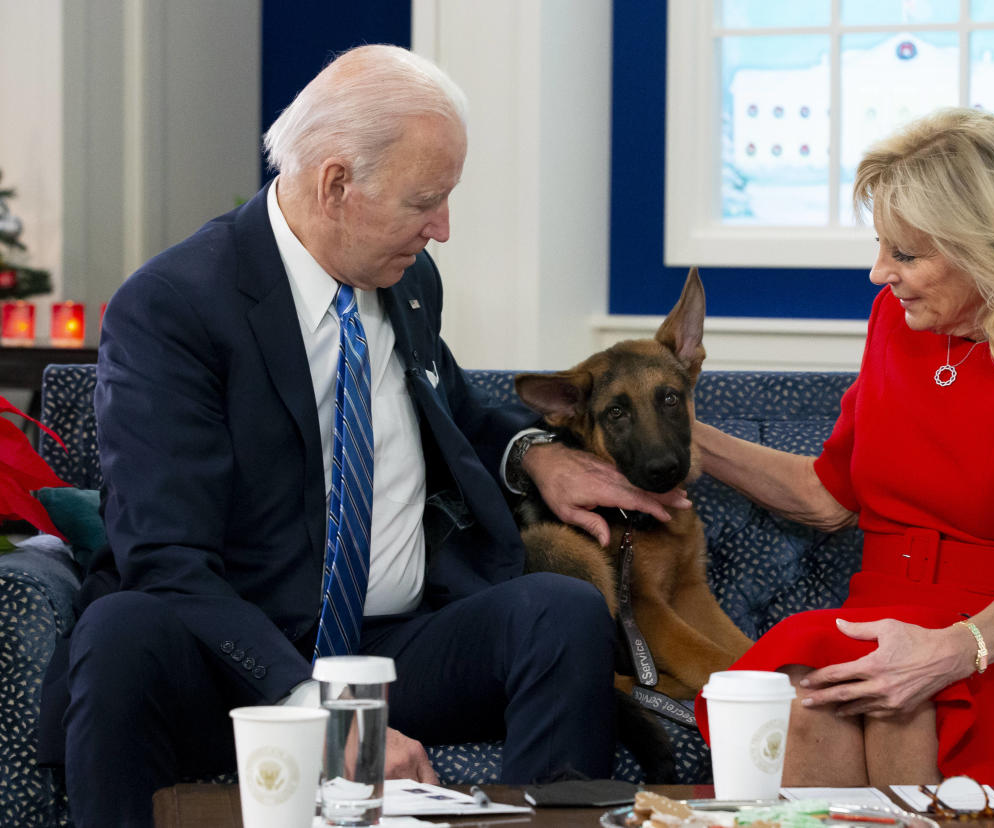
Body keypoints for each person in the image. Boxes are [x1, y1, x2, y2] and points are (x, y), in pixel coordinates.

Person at [40, 45, 689, 827]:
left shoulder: (405, 279)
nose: (442, 229)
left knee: (558, 610)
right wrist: (322, 707)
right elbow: (165, 558)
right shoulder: (172, 308)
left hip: (396, 644)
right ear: (337, 183)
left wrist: (535, 456)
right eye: (426, 200)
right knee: (122, 628)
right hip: (237, 656)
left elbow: (456, 413)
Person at [692, 107, 994, 786]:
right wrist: (681, 436)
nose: (879, 273)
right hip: (882, 615)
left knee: (908, 703)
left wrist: (952, 651)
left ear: (986, 246)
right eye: (880, 246)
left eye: (904, 254)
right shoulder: (895, 322)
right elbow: (827, 493)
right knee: (812, 692)